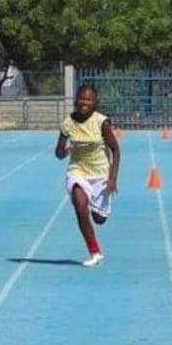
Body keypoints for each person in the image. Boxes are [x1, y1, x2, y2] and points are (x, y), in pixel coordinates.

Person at [55, 84, 120, 268]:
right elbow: (58, 153)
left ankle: (96, 208)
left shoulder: (101, 122)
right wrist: (67, 149)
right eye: (82, 99)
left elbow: (115, 149)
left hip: (100, 174)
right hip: (78, 171)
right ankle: (95, 251)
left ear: (95, 102)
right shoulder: (68, 123)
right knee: (79, 201)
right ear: (76, 100)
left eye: (89, 99)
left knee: (99, 219)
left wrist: (113, 178)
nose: (84, 102)